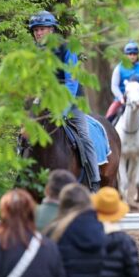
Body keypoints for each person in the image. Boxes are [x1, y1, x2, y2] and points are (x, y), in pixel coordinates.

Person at [29, 11, 101, 191]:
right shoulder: (34, 52)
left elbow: (71, 82)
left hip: (71, 100)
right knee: (23, 134)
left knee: (85, 137)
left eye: (42, 29)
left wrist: (61, 110)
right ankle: (22, 177)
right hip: (45, 99)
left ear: (52, 30)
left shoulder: (66, 48)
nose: (39, 33)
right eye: (36, 30)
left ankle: (94, 181)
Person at [107, 41, 139, 156]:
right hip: (121, 100)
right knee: (108, 117)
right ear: (125, 55)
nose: (132, 56)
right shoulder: (119, 68)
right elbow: (114, 85)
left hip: (138, 100)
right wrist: (120, 98)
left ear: (137, 55)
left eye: (134, 54)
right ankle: (107, 145)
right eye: (130, 54)